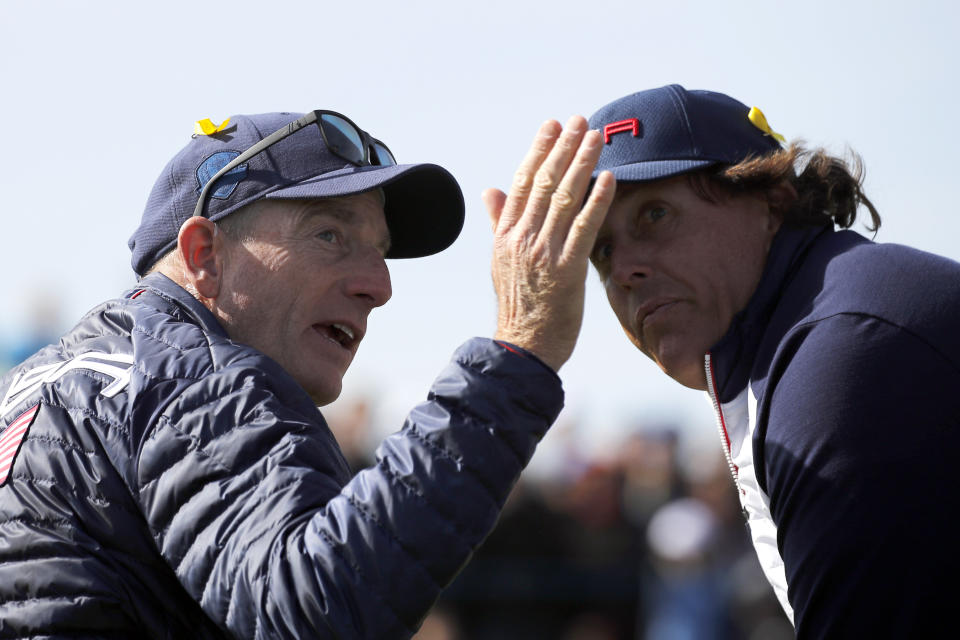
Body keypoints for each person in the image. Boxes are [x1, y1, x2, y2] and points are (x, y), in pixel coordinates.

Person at [0, 109, 614, 637]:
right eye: (328, 234)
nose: (379, 286)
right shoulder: (200, 380)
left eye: (379, 249)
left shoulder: (38, 381)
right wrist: (519, 353)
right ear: (203, 255)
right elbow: (316, 607)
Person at [585, 84, 960, 638]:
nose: (624, 270)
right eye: (603, 248)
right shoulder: (809, 332)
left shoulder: (842, 361)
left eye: (655, 214)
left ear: (771, 202)